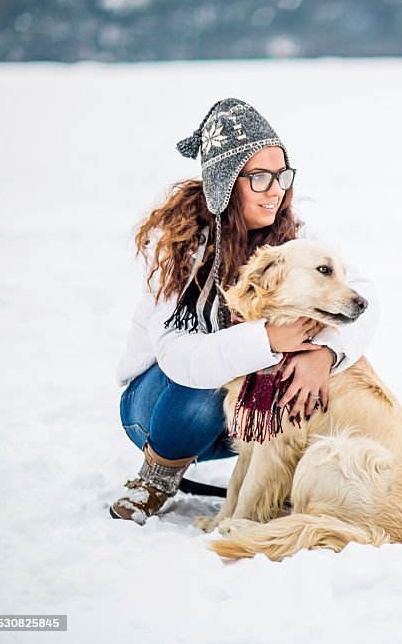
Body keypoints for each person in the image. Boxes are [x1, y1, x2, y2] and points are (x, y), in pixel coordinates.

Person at [110, 97, 379, 524]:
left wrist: (324, 355)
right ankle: (156, 477)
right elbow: (181, 360)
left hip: (239, 415)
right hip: (161, 404)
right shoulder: (175, 246)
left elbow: (363, 295)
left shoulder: (292, 237)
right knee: (207, 382)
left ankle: (284, 478)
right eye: (259, 177)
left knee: (305, 374)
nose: (277, 190)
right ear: (226, 182)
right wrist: (269, 340)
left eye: (282, 175)